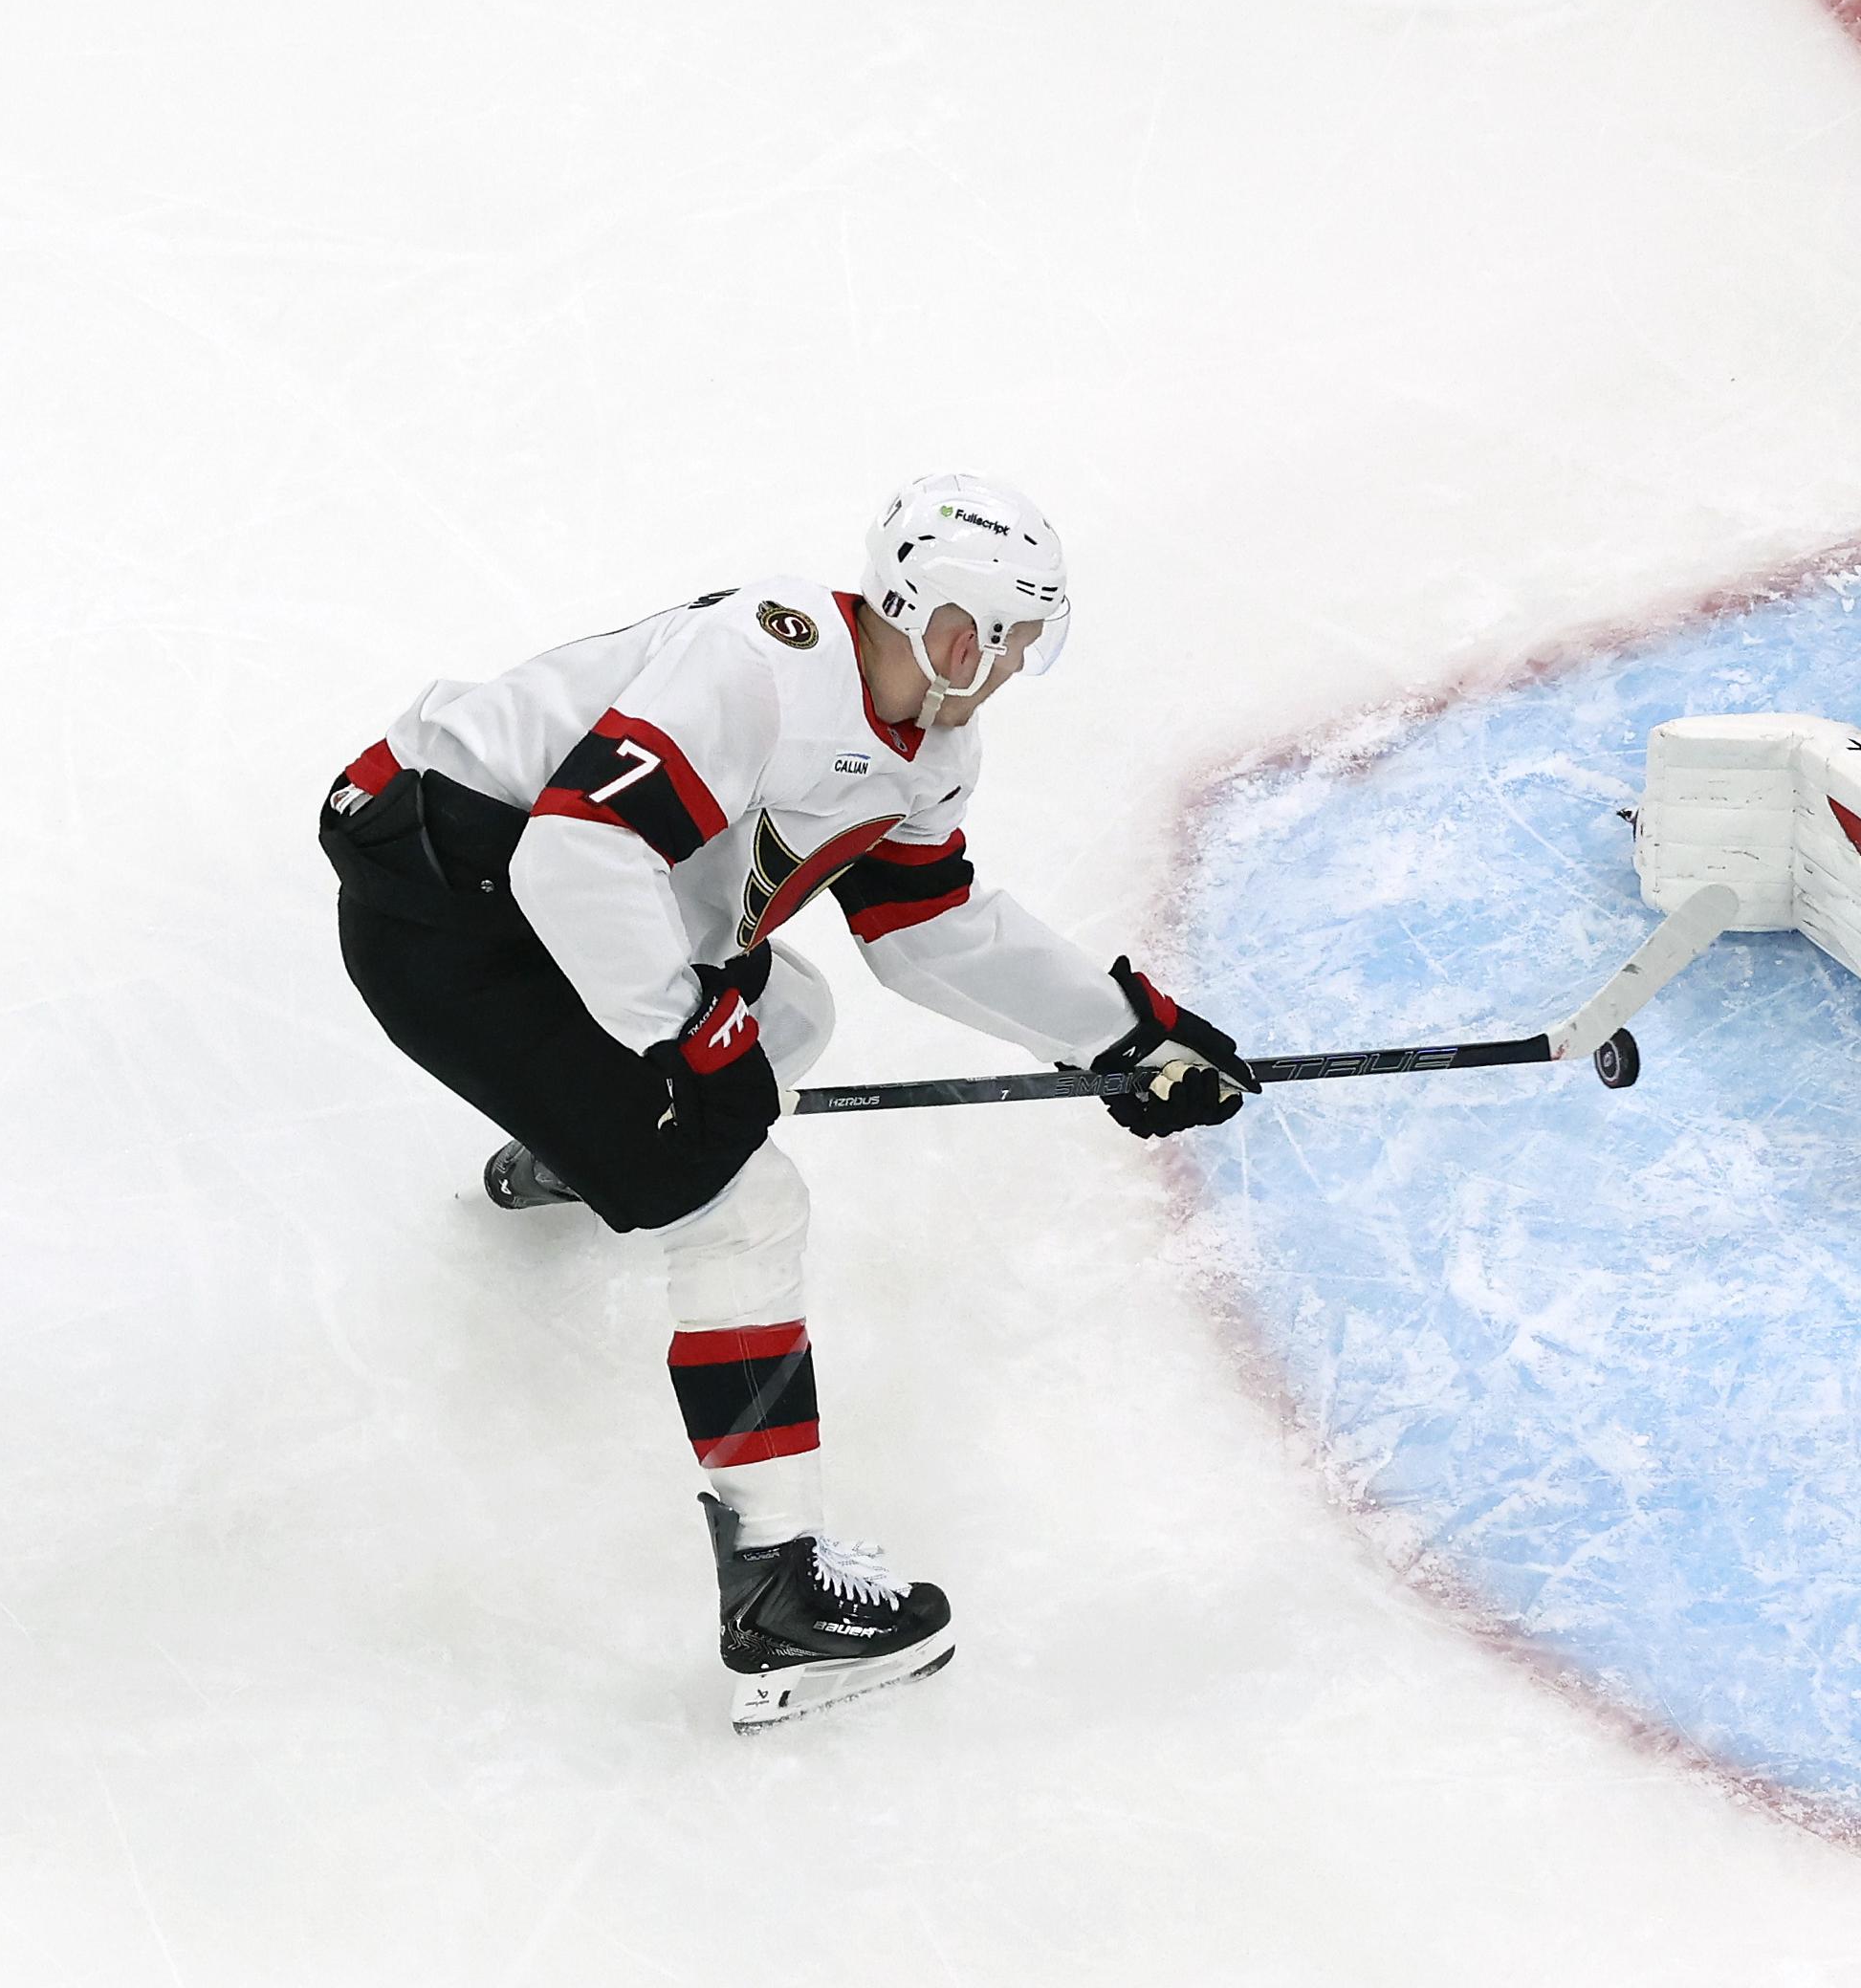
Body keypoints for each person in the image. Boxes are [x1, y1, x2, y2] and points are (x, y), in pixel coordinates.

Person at [318, 473, 1254, 1731]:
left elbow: (925, 930)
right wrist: (684, 1036)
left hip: (524, 908)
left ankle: (584, 1144)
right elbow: (576, 852)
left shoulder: (931, 743)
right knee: (741, 1212)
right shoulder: (762, 666)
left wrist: (1121, 1035)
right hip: (450, 914)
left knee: (792, 1019)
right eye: (1015, 634)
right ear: (952, 626)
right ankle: (777, 1605)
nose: (1025, 661)